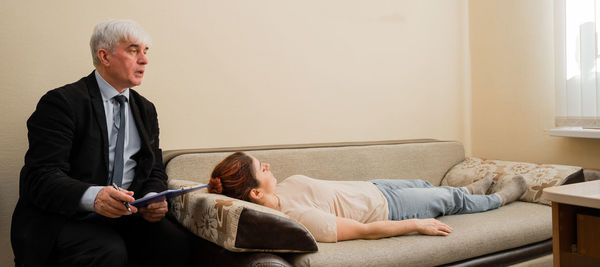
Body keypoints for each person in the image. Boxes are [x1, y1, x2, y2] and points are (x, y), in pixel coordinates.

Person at [11, 19, 191, 266]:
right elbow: (41, 177)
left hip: (126, 215)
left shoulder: (145, 109)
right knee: (107, 250)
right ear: (104, 57)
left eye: (145, 51)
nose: (144, 59)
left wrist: (152, 196)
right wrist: (94, 197)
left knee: (175, 243)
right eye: (133, 50)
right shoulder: (61, 103)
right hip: (67, 217)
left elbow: (154, 168)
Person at [208, 152, 527, 242]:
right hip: (389, 209)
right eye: (259, 168)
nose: (265, 164)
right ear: (255, 192)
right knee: (446, 200)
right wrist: (416, 224)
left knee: (426, 184)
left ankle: (470, 189)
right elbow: (363, 231)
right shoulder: (300, 218)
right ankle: (498, 199)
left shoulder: (285, 186)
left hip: (374, 186)